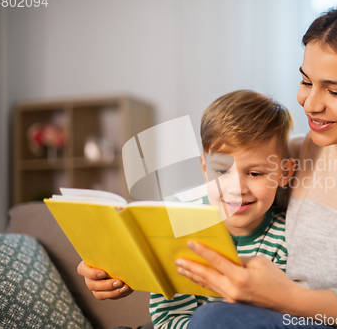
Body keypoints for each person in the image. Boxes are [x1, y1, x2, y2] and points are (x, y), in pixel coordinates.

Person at [79, 1, 337, 329]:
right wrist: (126, 257)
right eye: (307, 81)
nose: (310, 102)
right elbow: (218, 190)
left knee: (217, 319)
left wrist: (292, 299)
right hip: (279, 320)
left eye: (335, 90)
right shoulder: (295, 156)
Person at [78, 90, 296, 329]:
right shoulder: (180, 228)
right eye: (222, 171)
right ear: (205, 169)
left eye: (255, 173)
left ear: (284, 173)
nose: (237, 188)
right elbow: (168, 318)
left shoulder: (288, 237)